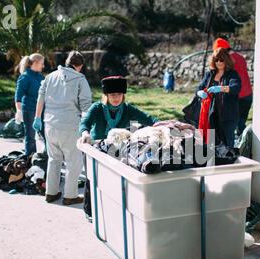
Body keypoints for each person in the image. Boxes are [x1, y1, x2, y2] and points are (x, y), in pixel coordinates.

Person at [79, 76, 159, 222]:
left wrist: (165, 125)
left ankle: (111, 210)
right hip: (96, 149)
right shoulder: (97, 108)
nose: (116, 98)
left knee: (113, 182)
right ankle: (89, 210)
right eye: (112, 95)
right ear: (106, 95)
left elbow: (149, 119)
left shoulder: (128, 109)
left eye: (119, 95)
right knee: (92, 180)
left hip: (115, 151)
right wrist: (85, 133)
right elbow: (85, 122)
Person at [33, 51, 92, 205]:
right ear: (79, 66)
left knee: (53, 159)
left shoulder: (50, 77)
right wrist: (88, 124)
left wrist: (37, 118)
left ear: (66, 61)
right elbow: (85, 105)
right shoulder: (80, 79)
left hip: (49, 125)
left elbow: (41, 97)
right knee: (73, 161)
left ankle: (51, 192)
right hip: (69, 126)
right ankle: (70, 195)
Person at [196, 47, 242, 147]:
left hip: (227, 117)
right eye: (216, 60)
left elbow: (236, 88)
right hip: (210, 117)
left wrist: (221, 88)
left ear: (226, 60)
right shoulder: (210, 74)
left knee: (226, 146)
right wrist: (199, 93)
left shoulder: (232, 74)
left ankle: (228, 162)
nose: (219, 62)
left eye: (221, 59)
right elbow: (198, 89)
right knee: (211, 144)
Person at [213, 38, 253, 136]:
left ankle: (233, 148)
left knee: (229, 127)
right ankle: (244, 147)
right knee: (241, 125)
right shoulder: (241, 57)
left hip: (236, 97)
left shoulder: (227, 61)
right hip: (247, 96)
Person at [14, 53, 45, 156]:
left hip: (41, 109)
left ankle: (47, 158)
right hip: (29, 109)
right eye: (41, 63)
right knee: (30, 136)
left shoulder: (40, 76)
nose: (43, 66)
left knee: (45, 134)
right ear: (35, 63)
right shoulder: (25, 77)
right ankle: (30, 159)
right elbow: (18, 96)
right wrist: (19, 111)